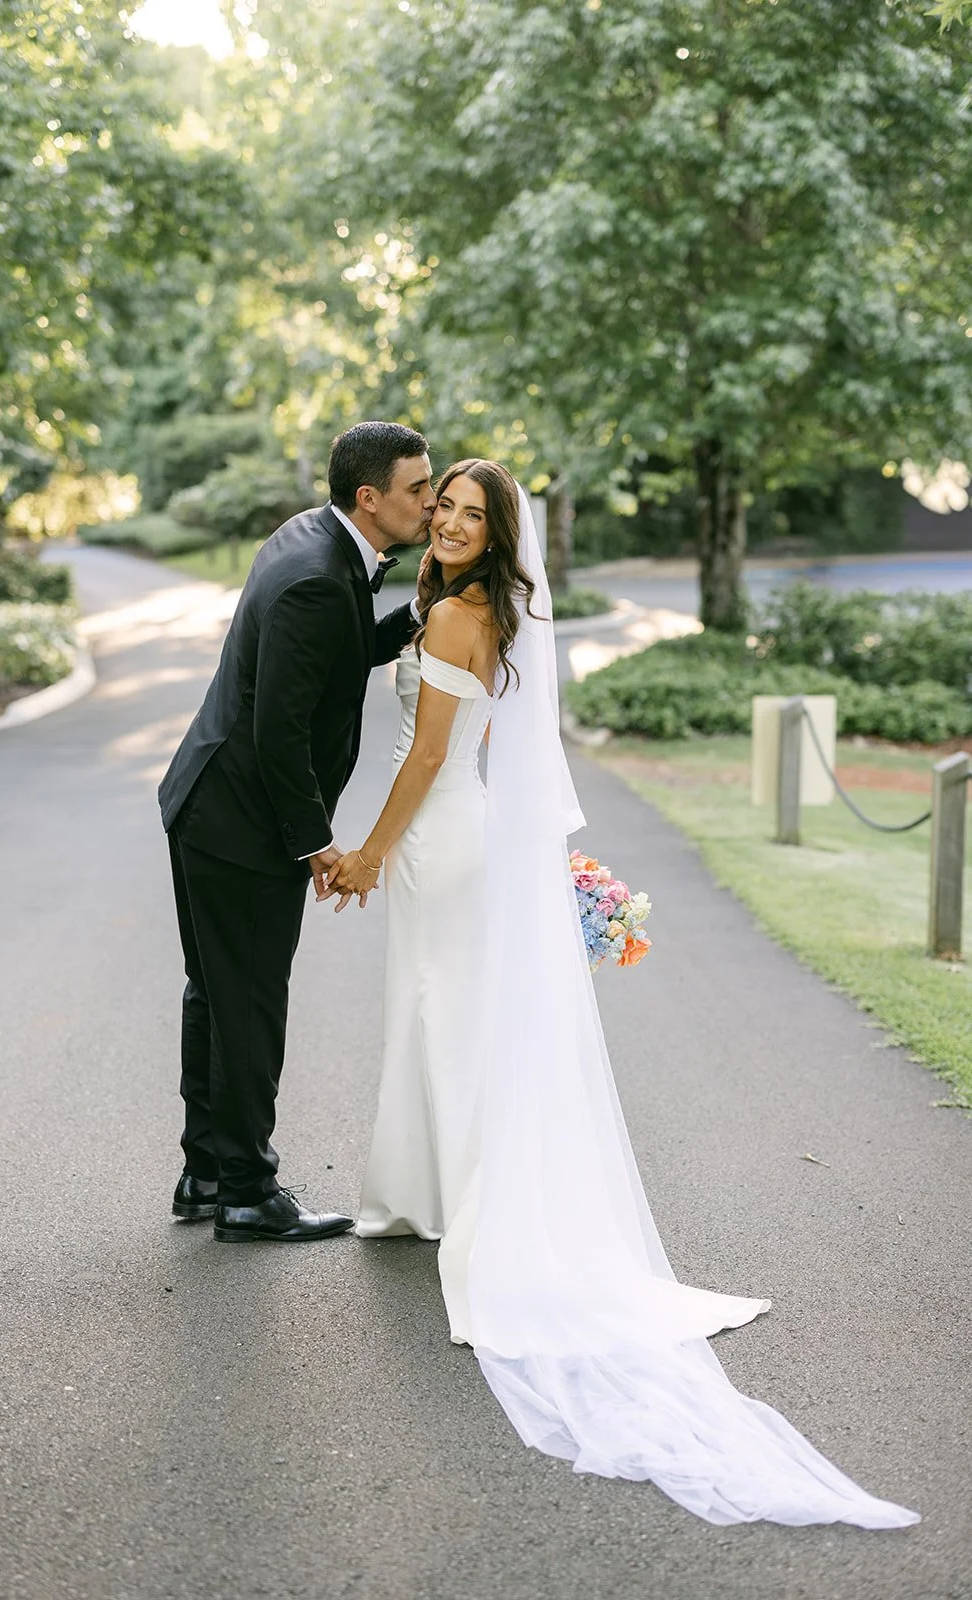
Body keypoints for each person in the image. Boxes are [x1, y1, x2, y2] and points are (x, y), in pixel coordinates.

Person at [328, 459, 918, 1529]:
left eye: (472, 514)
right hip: (461, 839)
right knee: (439, 1018)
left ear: (499, 536)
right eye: (445, 508)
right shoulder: (470, 608)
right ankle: (427, 1193)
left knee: (445, 1021)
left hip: (436, 835)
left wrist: (368, 853)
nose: (452, 523)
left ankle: (463, 1208)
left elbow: (423, 760)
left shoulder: (463, 617)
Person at [158, 421, 435, 1243]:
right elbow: (279, 729)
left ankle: (206, 1171)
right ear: (369, 497)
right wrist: (315, 844)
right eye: (418, 489)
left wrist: (420, 612)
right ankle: (247, 1191)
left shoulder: (310, 537)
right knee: (248, 1001)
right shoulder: (319, 576)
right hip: (240, 821)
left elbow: (337, 656)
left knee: (216, 992)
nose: (428, 502)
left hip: (207, 801)